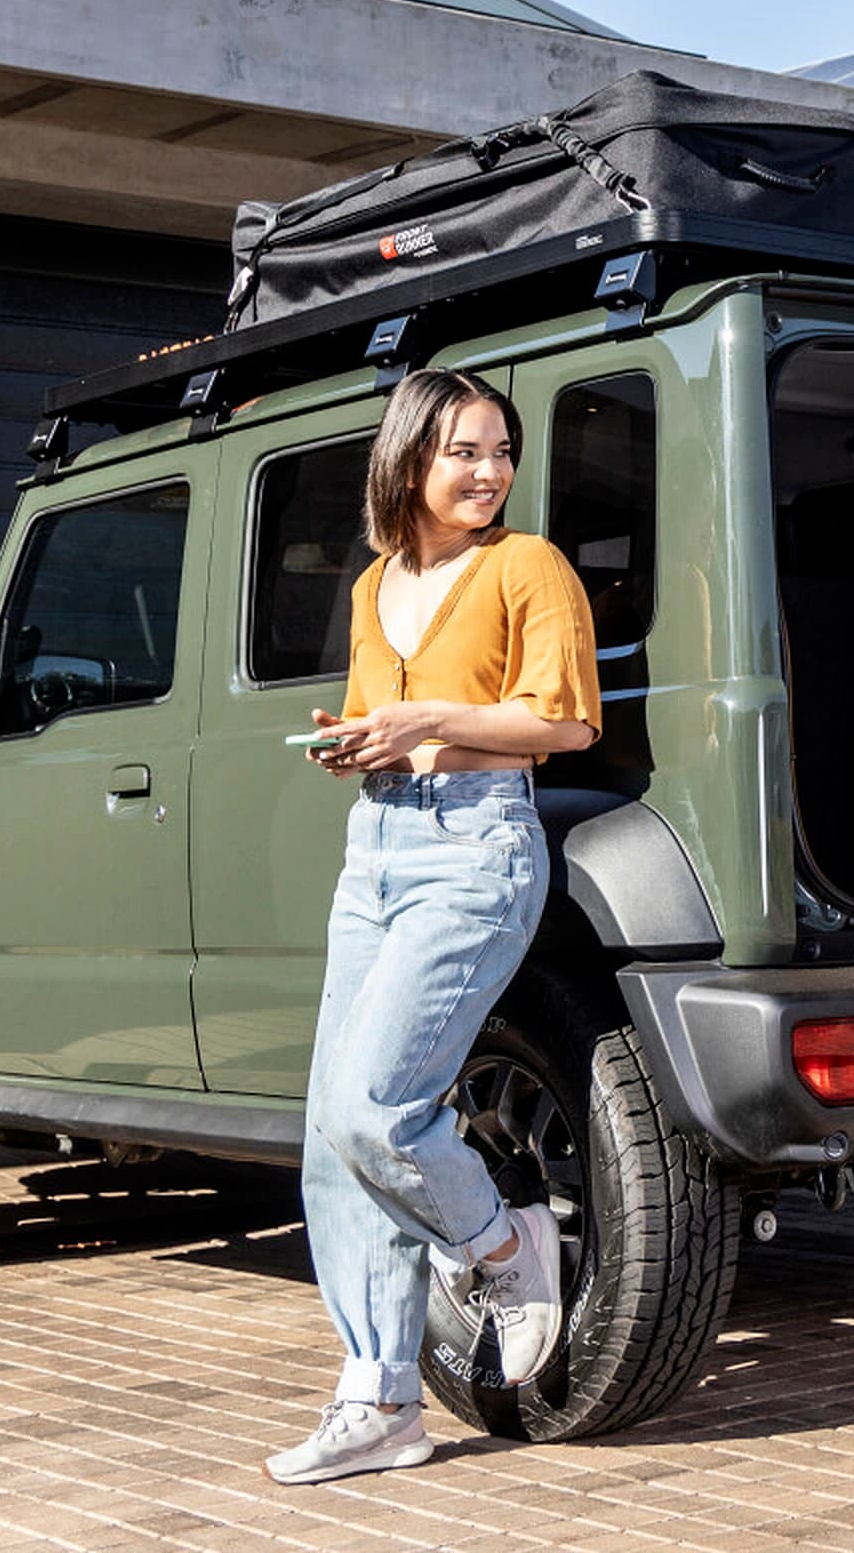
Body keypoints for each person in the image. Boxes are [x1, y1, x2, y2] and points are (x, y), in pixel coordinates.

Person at [263, 367, 602, 1487]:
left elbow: (563, 721)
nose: (488, 471)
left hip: (475, 851)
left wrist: (428, 721)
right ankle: (380, 1400)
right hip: (377, 851)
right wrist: (361, 740)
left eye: (500, 451)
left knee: (379, 1106)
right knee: (331, 1135)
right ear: (408, 459)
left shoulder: (526, 566)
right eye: (463, 450)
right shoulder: (373, 587)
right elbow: (391, 723)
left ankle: (501, 1243)